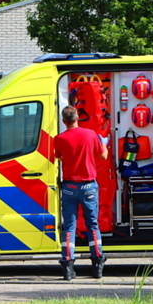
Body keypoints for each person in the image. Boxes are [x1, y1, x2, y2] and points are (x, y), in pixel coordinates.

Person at [54, 105, 109, 280]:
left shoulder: (59, 139)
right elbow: (103, 156)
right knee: (92, 224)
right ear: (77, 118)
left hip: (69, 187)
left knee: (69, 226)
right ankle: (97, 265)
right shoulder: (91, 135)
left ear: (64, 121)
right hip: (88, 186)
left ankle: (68, 267)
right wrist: (104, 143)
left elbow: (59, 157)